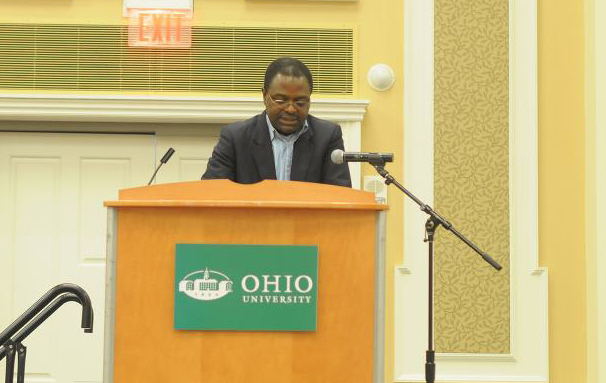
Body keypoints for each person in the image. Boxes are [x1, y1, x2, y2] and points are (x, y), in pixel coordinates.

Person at [201, 57, 352, 187]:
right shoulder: (236, 137)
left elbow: (341, 196)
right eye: (281, 100)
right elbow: (211, 193)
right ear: (265, 96)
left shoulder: (327, 137)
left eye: (300, 102)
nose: (291, 109)